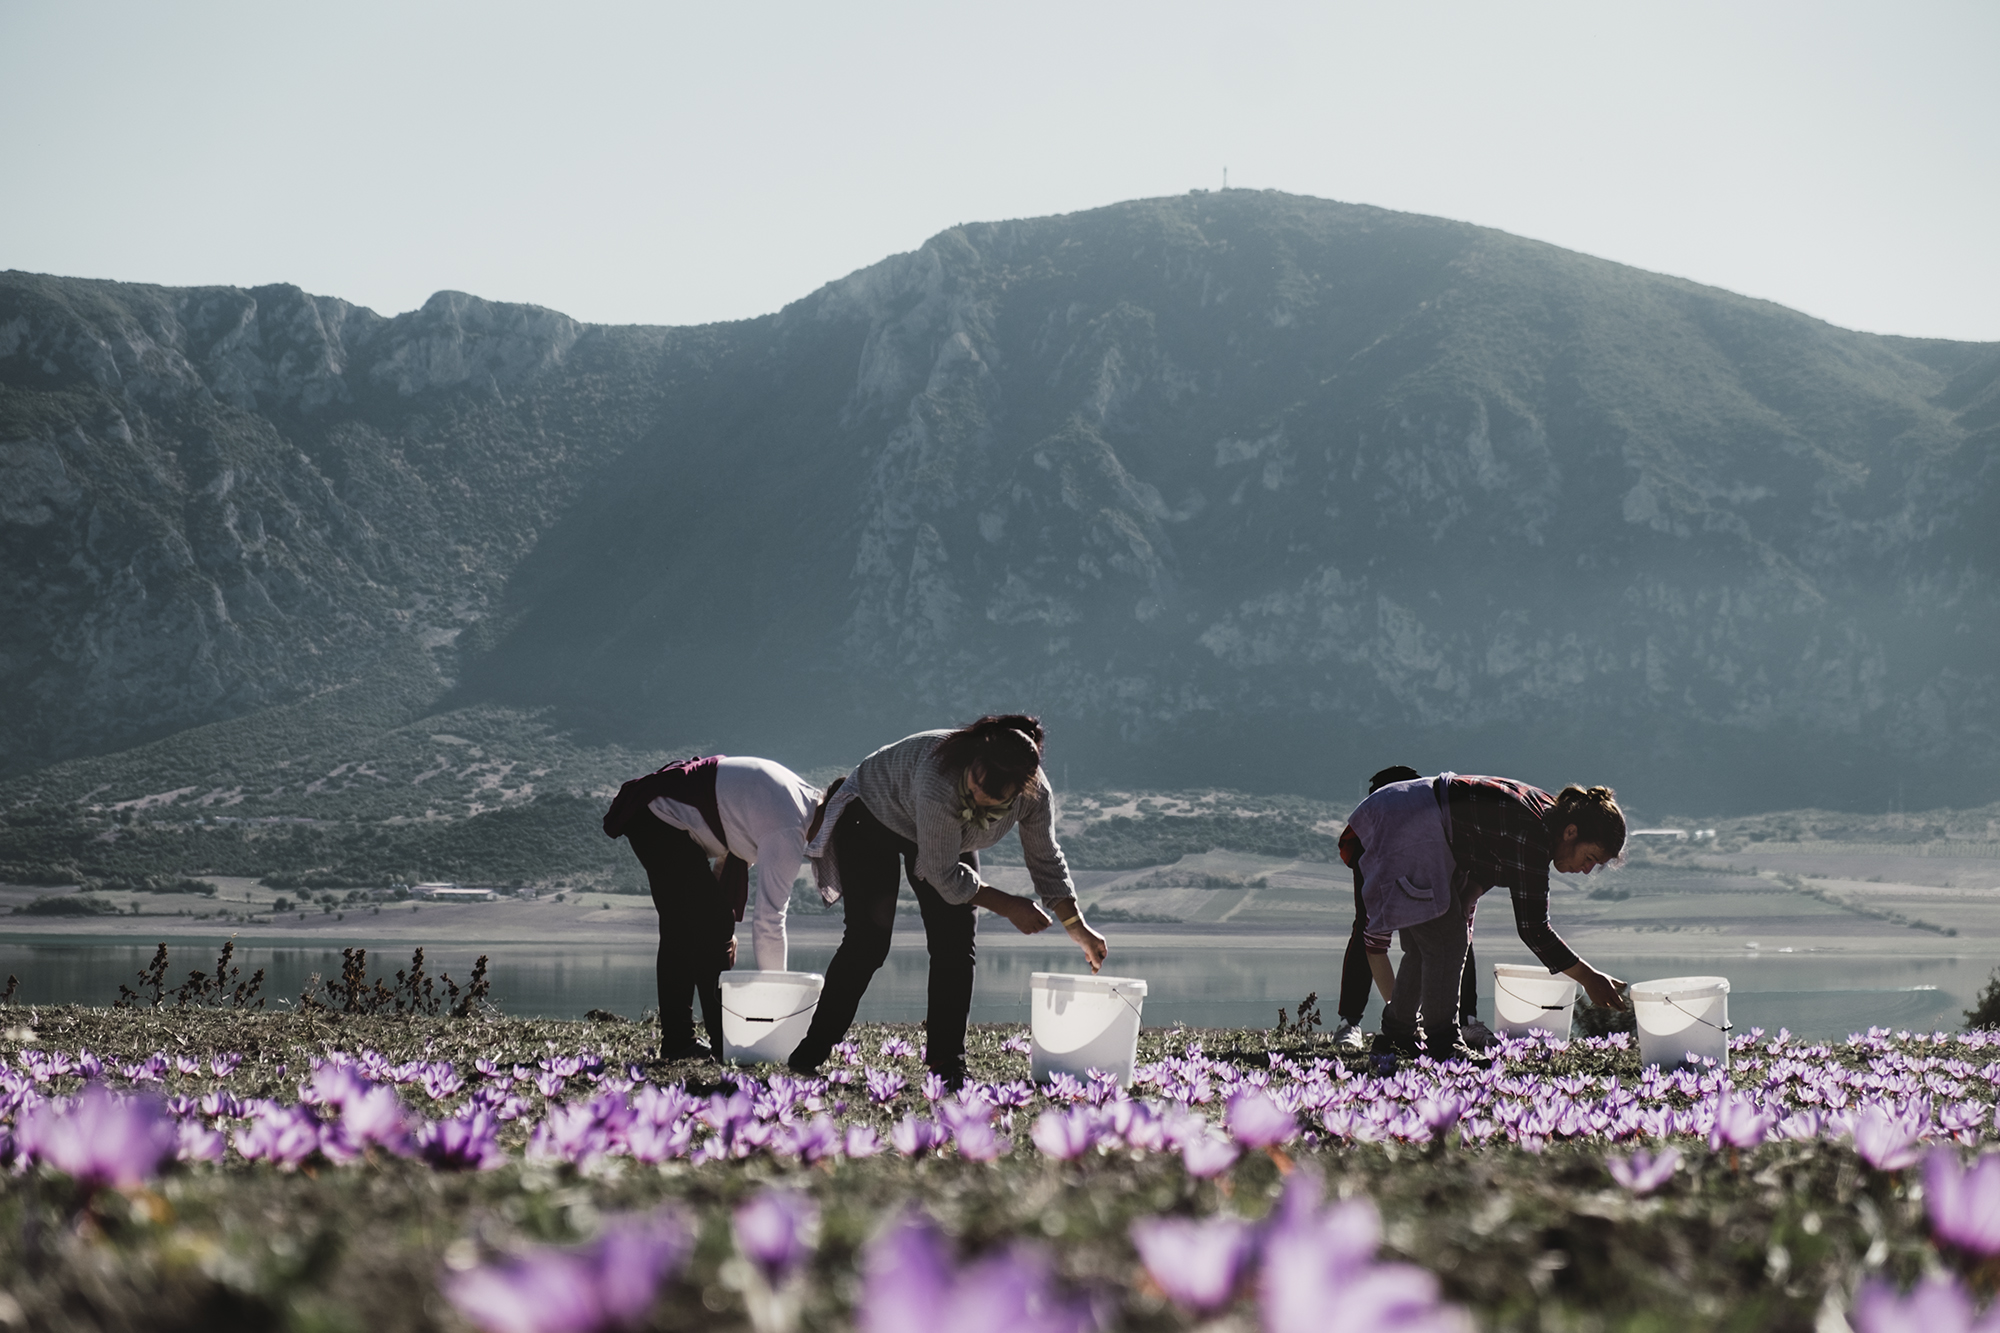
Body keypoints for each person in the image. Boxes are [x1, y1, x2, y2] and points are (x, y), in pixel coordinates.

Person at [786, 715, 1108, 1086]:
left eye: (992, 802)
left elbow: (1045, 857)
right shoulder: (938, 778)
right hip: (875, 816)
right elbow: (941, 874)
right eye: (973, 789)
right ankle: (811, 1051)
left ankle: (948, 1064)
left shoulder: (1036, 796)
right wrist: (1007, 905)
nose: (976, 801)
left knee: (955, 945)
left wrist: (1076, 926)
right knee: (868, 942)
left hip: (946, 839)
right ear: (974, 761)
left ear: (1020, 791)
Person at [1341, 772, 1629, 1063]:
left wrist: (1465, 904)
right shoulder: (1533, 834)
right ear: (1571, 832)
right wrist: (1589, 978)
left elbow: (1484, 862)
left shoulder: (1544, 821)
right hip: (1408, 827)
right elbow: (1534, 930)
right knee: (1446, 943)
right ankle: (1443, 1044)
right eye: (1590, 857)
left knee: (1429, 945)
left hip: (1409, 818)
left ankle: (1395, 1037)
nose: (1586, 870)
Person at [602, 754, 831, 1061]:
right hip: (660, 819)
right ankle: (720, 1041)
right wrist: (777, 1001)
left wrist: (720, 930)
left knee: (683, 931)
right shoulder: (790, 828)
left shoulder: (799, 799)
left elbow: (726, 859)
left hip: (656, 816)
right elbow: (769, 921)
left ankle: (679, 1042)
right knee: (706, 925)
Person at [1331, 766, 1491, 1052]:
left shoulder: (1445, 838)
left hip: (1427, 852)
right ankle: (1350, 1022)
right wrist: (1404, 1019)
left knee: (1450, 927)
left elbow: (1460, 929)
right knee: (1367, 925)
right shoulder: (1375, 848)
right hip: (1378, 846)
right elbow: (1374, 942)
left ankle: (1468, 1019)